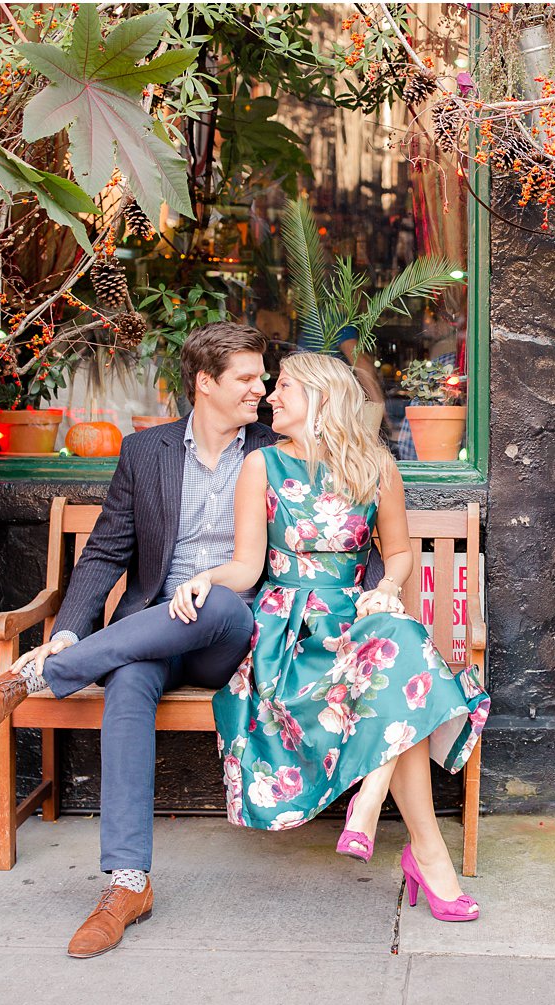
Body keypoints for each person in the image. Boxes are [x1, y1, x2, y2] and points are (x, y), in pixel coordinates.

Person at [0, 323, 381, 958]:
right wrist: (68, 625)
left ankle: (38, 676)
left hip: (233, 631)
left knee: (217, 606)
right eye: (247, 378)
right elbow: (104, 554)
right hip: (149, 626)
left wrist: (379, 597)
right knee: (129, 679)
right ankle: (127, 885)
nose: (262, 391)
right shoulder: (146, 453)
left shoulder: (277, 448)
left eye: (265, 379)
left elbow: (344, 521)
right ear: (205, 384)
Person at [174, 352, 490, 921]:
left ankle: (373, 805)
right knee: (401, 675)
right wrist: (206, 578)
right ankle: (423, 852)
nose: (271, 397)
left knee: (394, 640)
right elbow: (247, 567)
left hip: (357, 620)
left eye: (285, 388)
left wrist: (388, 587)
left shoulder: (376, 467)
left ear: (320, 398)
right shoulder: (262, 466)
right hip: (289, 634)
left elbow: (397, 555)